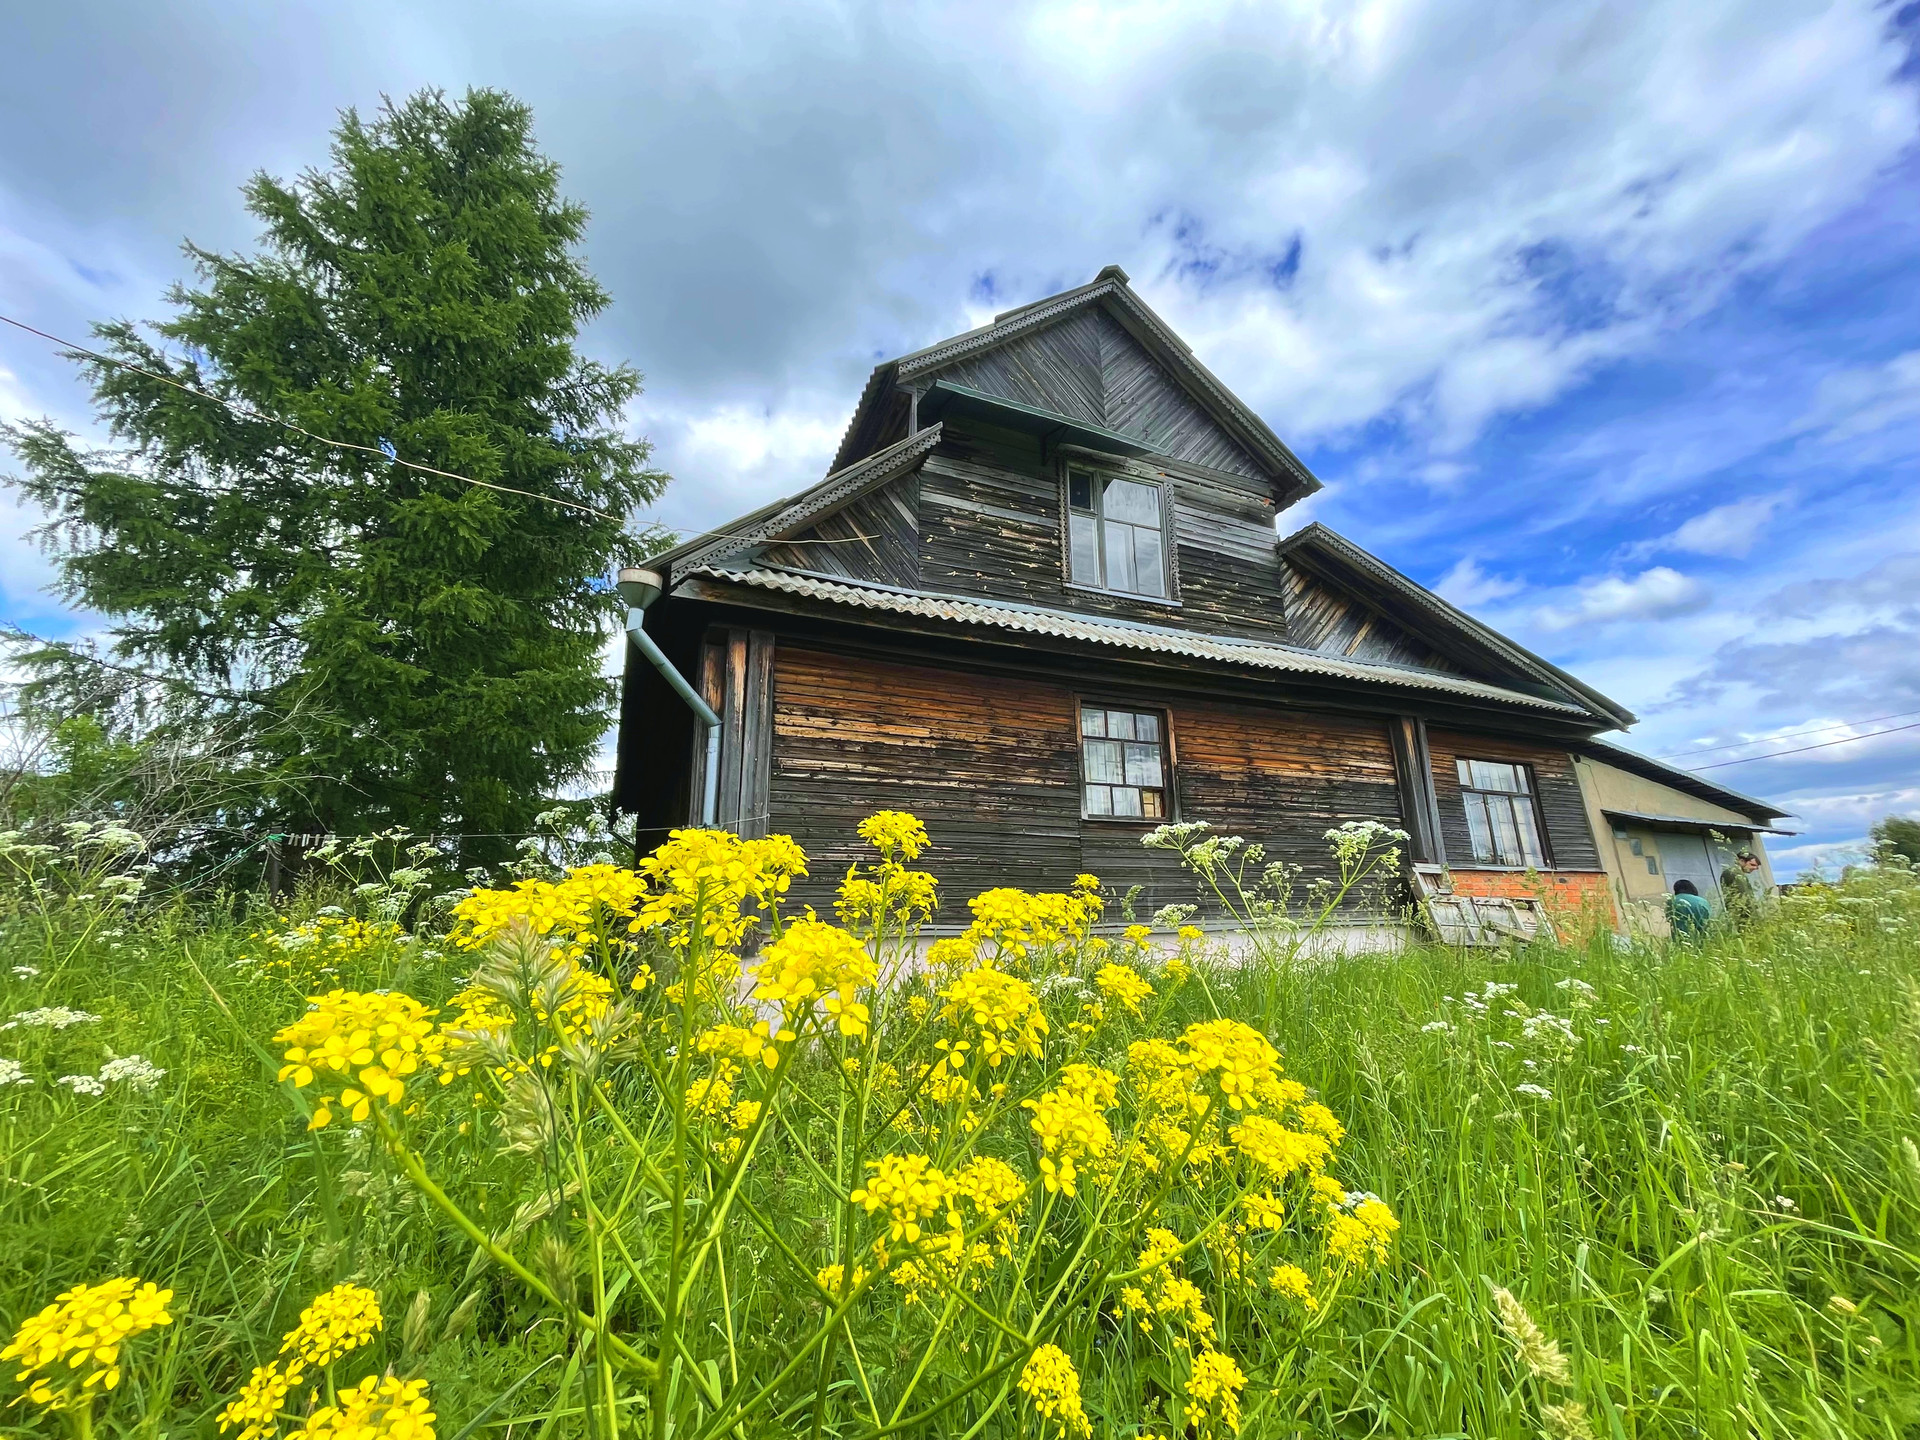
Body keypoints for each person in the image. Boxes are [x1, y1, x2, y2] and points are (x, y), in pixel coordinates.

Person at [1720, 848, 1763, 925]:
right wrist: (1753, 916)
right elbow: (1743, 897)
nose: (1754, 868)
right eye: (1752, 864)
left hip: (1743, 915)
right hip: (1743, 916)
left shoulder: (1738, 874)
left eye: (1756, 866)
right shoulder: (1733, 873)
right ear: (1741, 861)